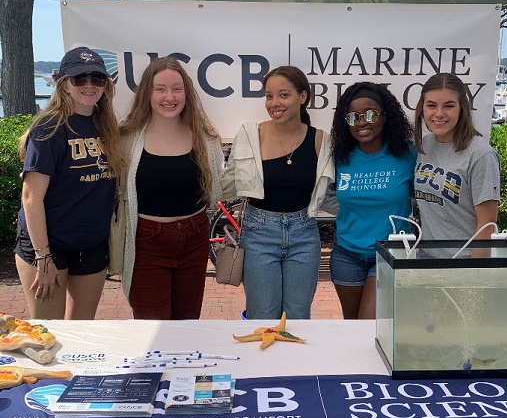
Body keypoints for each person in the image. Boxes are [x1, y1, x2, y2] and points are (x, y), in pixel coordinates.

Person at [14, 47, 123, 319]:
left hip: (91, 245)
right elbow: (31, 198)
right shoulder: (49, 128)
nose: (89, 85)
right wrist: (43, 257)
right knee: (51, 334)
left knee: (81, 332)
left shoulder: (107, 126)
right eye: (79, 78)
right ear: (64, 84)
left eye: (97, 79)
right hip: (48, 246)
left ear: (106, 85)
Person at [221, 65, 334, 320]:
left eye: (283, 95)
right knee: (262, 317)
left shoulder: (320, 139)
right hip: (258, 234)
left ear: (303, 97)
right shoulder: (251, 134)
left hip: (304, 234)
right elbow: (228, 183)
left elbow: (328, 194)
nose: (274, 103)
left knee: (297, 318)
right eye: (269, 96)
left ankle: (295, 362)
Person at [118, 57, 224, 320]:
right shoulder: (126, 138)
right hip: (146, 243)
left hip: (194, 238)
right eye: (160, 89)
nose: (170, 96)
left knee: (186, 327)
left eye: (177, 88)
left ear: (186, 92)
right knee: (152, 329)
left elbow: (217, 192)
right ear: (147, 93)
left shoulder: (204, 137)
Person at [329, 82, 416, 320]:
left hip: (389, 252)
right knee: (351, 324)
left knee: (369, 324)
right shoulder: (339, 157)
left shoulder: (408, 155)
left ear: (385, 116)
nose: (362, 122)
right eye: (353, 117)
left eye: (370, 114)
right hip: (347, 254)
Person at [413, 72, 501, 240]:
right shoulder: (425, 145)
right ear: (422, 109)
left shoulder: (481, 154)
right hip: (427, 259)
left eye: (448, 105)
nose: (439, 113)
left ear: (462, 108)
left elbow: (487, 225)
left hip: (463, 261)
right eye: (431, 105)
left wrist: (474, 266)